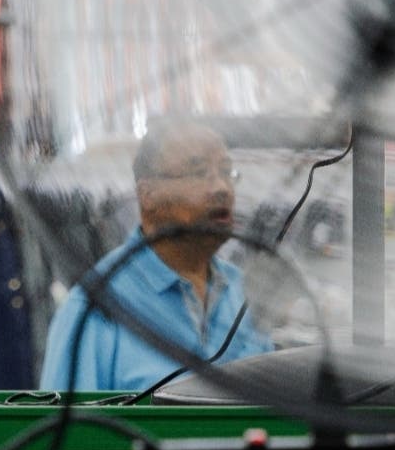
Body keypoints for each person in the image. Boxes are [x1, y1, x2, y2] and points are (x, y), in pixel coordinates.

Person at [39, 118, 272, 391]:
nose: (221, 188)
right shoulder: (96, 308)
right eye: (198, 173)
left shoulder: (245, 294)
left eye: (227, 172)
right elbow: (67, 431)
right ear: (147, 195)